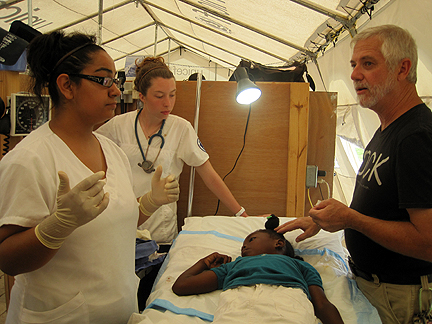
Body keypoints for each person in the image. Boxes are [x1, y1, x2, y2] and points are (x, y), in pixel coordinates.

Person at [0, 31, 179, 324]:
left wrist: (148, 203)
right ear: (67, 86)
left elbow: (113, 226)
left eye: (116, 82)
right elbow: (7, 259)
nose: (116, 92)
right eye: (104, 80)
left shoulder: (111, 151)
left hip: (118, 309)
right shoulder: (29, 159)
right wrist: (56, 227)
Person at [276, 24, 432, 324]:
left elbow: (428, 241)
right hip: (374, 287)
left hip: (402, 298)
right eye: (353, 64)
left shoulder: (417, 136)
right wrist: (323, 219)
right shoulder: (387, 127)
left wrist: (350, 219)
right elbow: (386, 206)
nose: (354, 74)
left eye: (368, 64)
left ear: (403, 69)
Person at [96, 56, 249, 244]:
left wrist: (241, 213)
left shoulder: (181, 129)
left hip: (161, 231)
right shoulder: (118, 126)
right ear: (141, 96)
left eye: (172, 94)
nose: (168, 103)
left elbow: (209, 175)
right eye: (159, 96)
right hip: (124, 225)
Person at [172, 228, 344, 324]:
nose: (244, 247)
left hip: (286, 302)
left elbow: (322, 305)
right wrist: (204, 262)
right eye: (243, 244)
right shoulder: (235, 265)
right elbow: (181, 286)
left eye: (251, 240)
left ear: (279, 243)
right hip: (238, 304)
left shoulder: (299, 265)